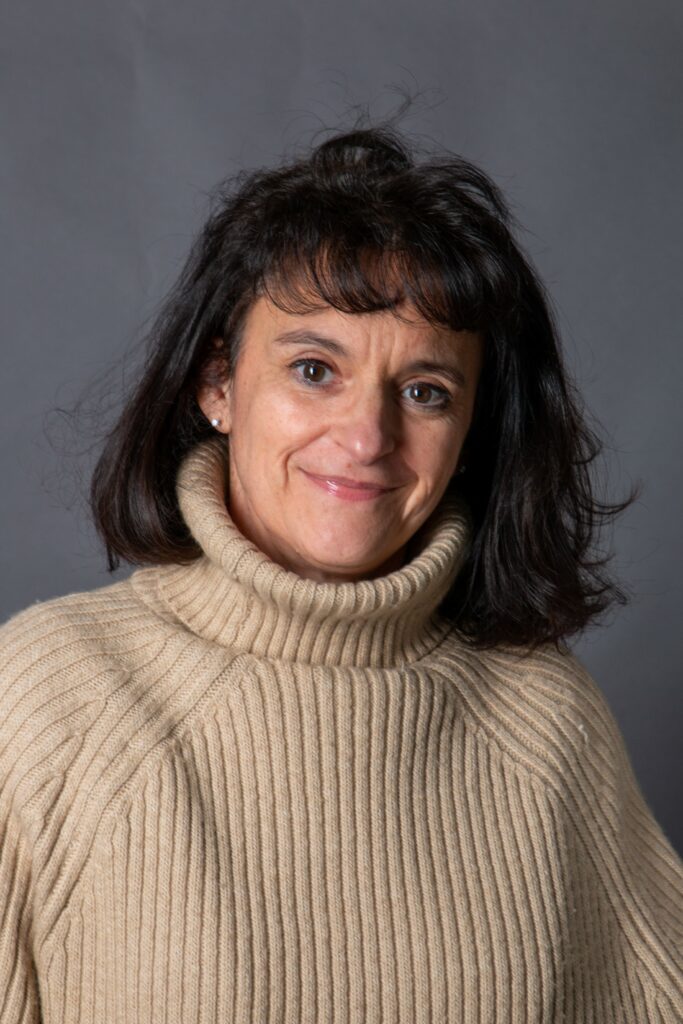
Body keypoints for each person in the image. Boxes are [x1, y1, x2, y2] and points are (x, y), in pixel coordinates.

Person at [0, 121, 681, 1024]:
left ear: (471, 432)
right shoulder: (48, 702)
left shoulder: (545, 722)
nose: (366, 438)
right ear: (217, 384)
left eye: (425, 391)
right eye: (314, 369)